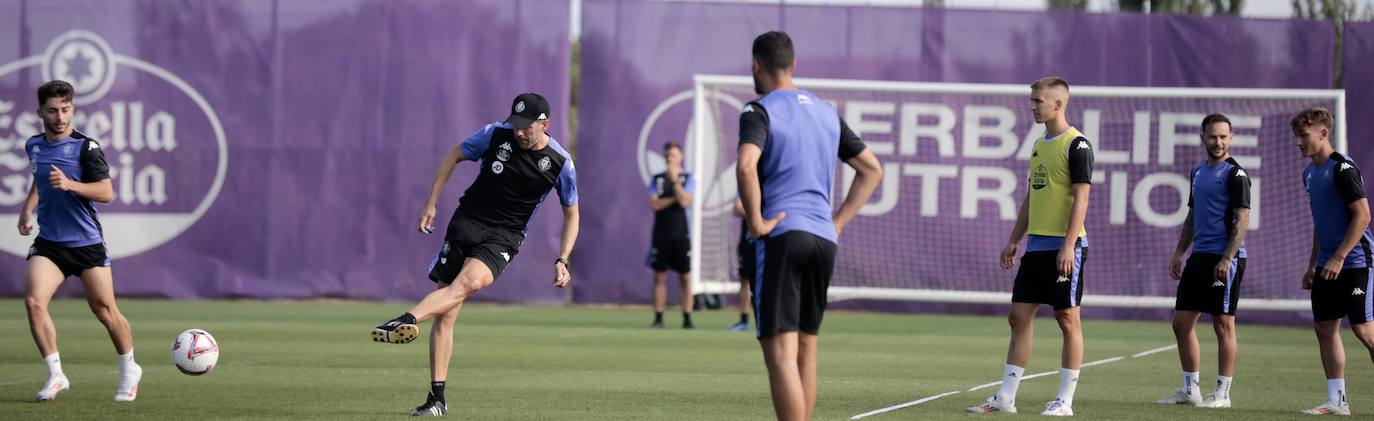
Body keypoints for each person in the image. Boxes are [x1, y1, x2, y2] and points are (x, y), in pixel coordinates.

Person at [370, 92, 580, 417]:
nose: (519, 132)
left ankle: (407, 319)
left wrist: (563, 257)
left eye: (527, 127)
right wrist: (430, 202)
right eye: (516, 125)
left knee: (468, 285)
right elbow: (453, 155)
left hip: (504, 237)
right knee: (448, 310)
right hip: (466, 222)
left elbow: (572, 213)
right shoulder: (495, 134)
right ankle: (437, 399)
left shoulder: (560, 163)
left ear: (545, 125)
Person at [738, 30, 882, 421]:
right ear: (794, 65)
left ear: (756, 66)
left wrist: (755, 222)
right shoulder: (825, 111)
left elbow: (746, 164)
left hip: (783, 235)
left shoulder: (759, 110)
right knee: (806, 350)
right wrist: (837, 222)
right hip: (823, 239)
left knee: (780, 354)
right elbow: (872, 168)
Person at [967, 76, 1092, 417]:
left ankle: (1064, 401)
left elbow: (1082, 197)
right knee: (1018, 317)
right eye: (1032, 100)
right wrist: (1014, 239)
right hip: (1036, 247)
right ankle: (1006, 397)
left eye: (1039, 101)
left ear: (1058, 104)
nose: (1033, 106)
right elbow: (1032, 197)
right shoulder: (1039, 144)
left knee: (1068, 319)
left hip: (1065, 246)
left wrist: (1068, 246)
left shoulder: (1076, 144)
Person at [18, 80, 142, 402]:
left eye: (65, 109)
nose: (60, 116)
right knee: (34, 302)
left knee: (105, 311)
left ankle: (130, 369)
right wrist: (27, 209)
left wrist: (71, 185)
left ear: (72, 109)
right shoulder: (33, 145)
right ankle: (56, 374)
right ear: (40, 112)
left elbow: (107, 192)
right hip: (51, 244)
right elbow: (39, 177)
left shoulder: (87, 148)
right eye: (53, 110)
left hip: (86, 243)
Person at [1156, 114, 1249, 409]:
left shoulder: (1236, 175)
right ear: (1203, 138)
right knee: (1181, 323)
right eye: (1213, 136)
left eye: (1223, 136)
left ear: (1231, 138)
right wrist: (1179, 252)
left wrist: (1226, 258)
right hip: (1199, 257)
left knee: (1223, 325)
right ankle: (1190, 390)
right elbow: (1193, 215)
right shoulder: (1197, 171)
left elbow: (1242, 219)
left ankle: (1222, 393)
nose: (1218, 142)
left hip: (1224, 259)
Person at [1294, 107, 1374, 416]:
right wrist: (1314, 263)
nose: (1299, 142)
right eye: (1297, 136)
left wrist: (1340, 257)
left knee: (1365, 331)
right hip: (1328, 264)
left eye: (1304, 135)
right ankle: (1337, 401)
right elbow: (1321, 221)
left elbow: (1363, 216)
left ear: (1323, 133)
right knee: (1325, 327)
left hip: (1354, 262)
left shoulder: (1342, 168)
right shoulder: (1309, 173)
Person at [646, 142, 695, 329]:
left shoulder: (688, 177)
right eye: (667, 156)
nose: (670, 159)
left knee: (685, 277)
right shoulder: (657, 179)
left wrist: (675, 182)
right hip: (661, 234)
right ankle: (658, 318)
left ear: (680, 156)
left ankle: (687, 318)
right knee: (659, 277)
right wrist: (675, 197)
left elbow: (685, 201)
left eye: (673, 155)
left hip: (682, 234)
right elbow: (654, 205)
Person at [730, 198, 753, 332]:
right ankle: (744, 320)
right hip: (748, 241)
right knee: (744, 280)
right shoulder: (748, 182)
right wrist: (756, 212)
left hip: (769, 240)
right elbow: (737, 207)